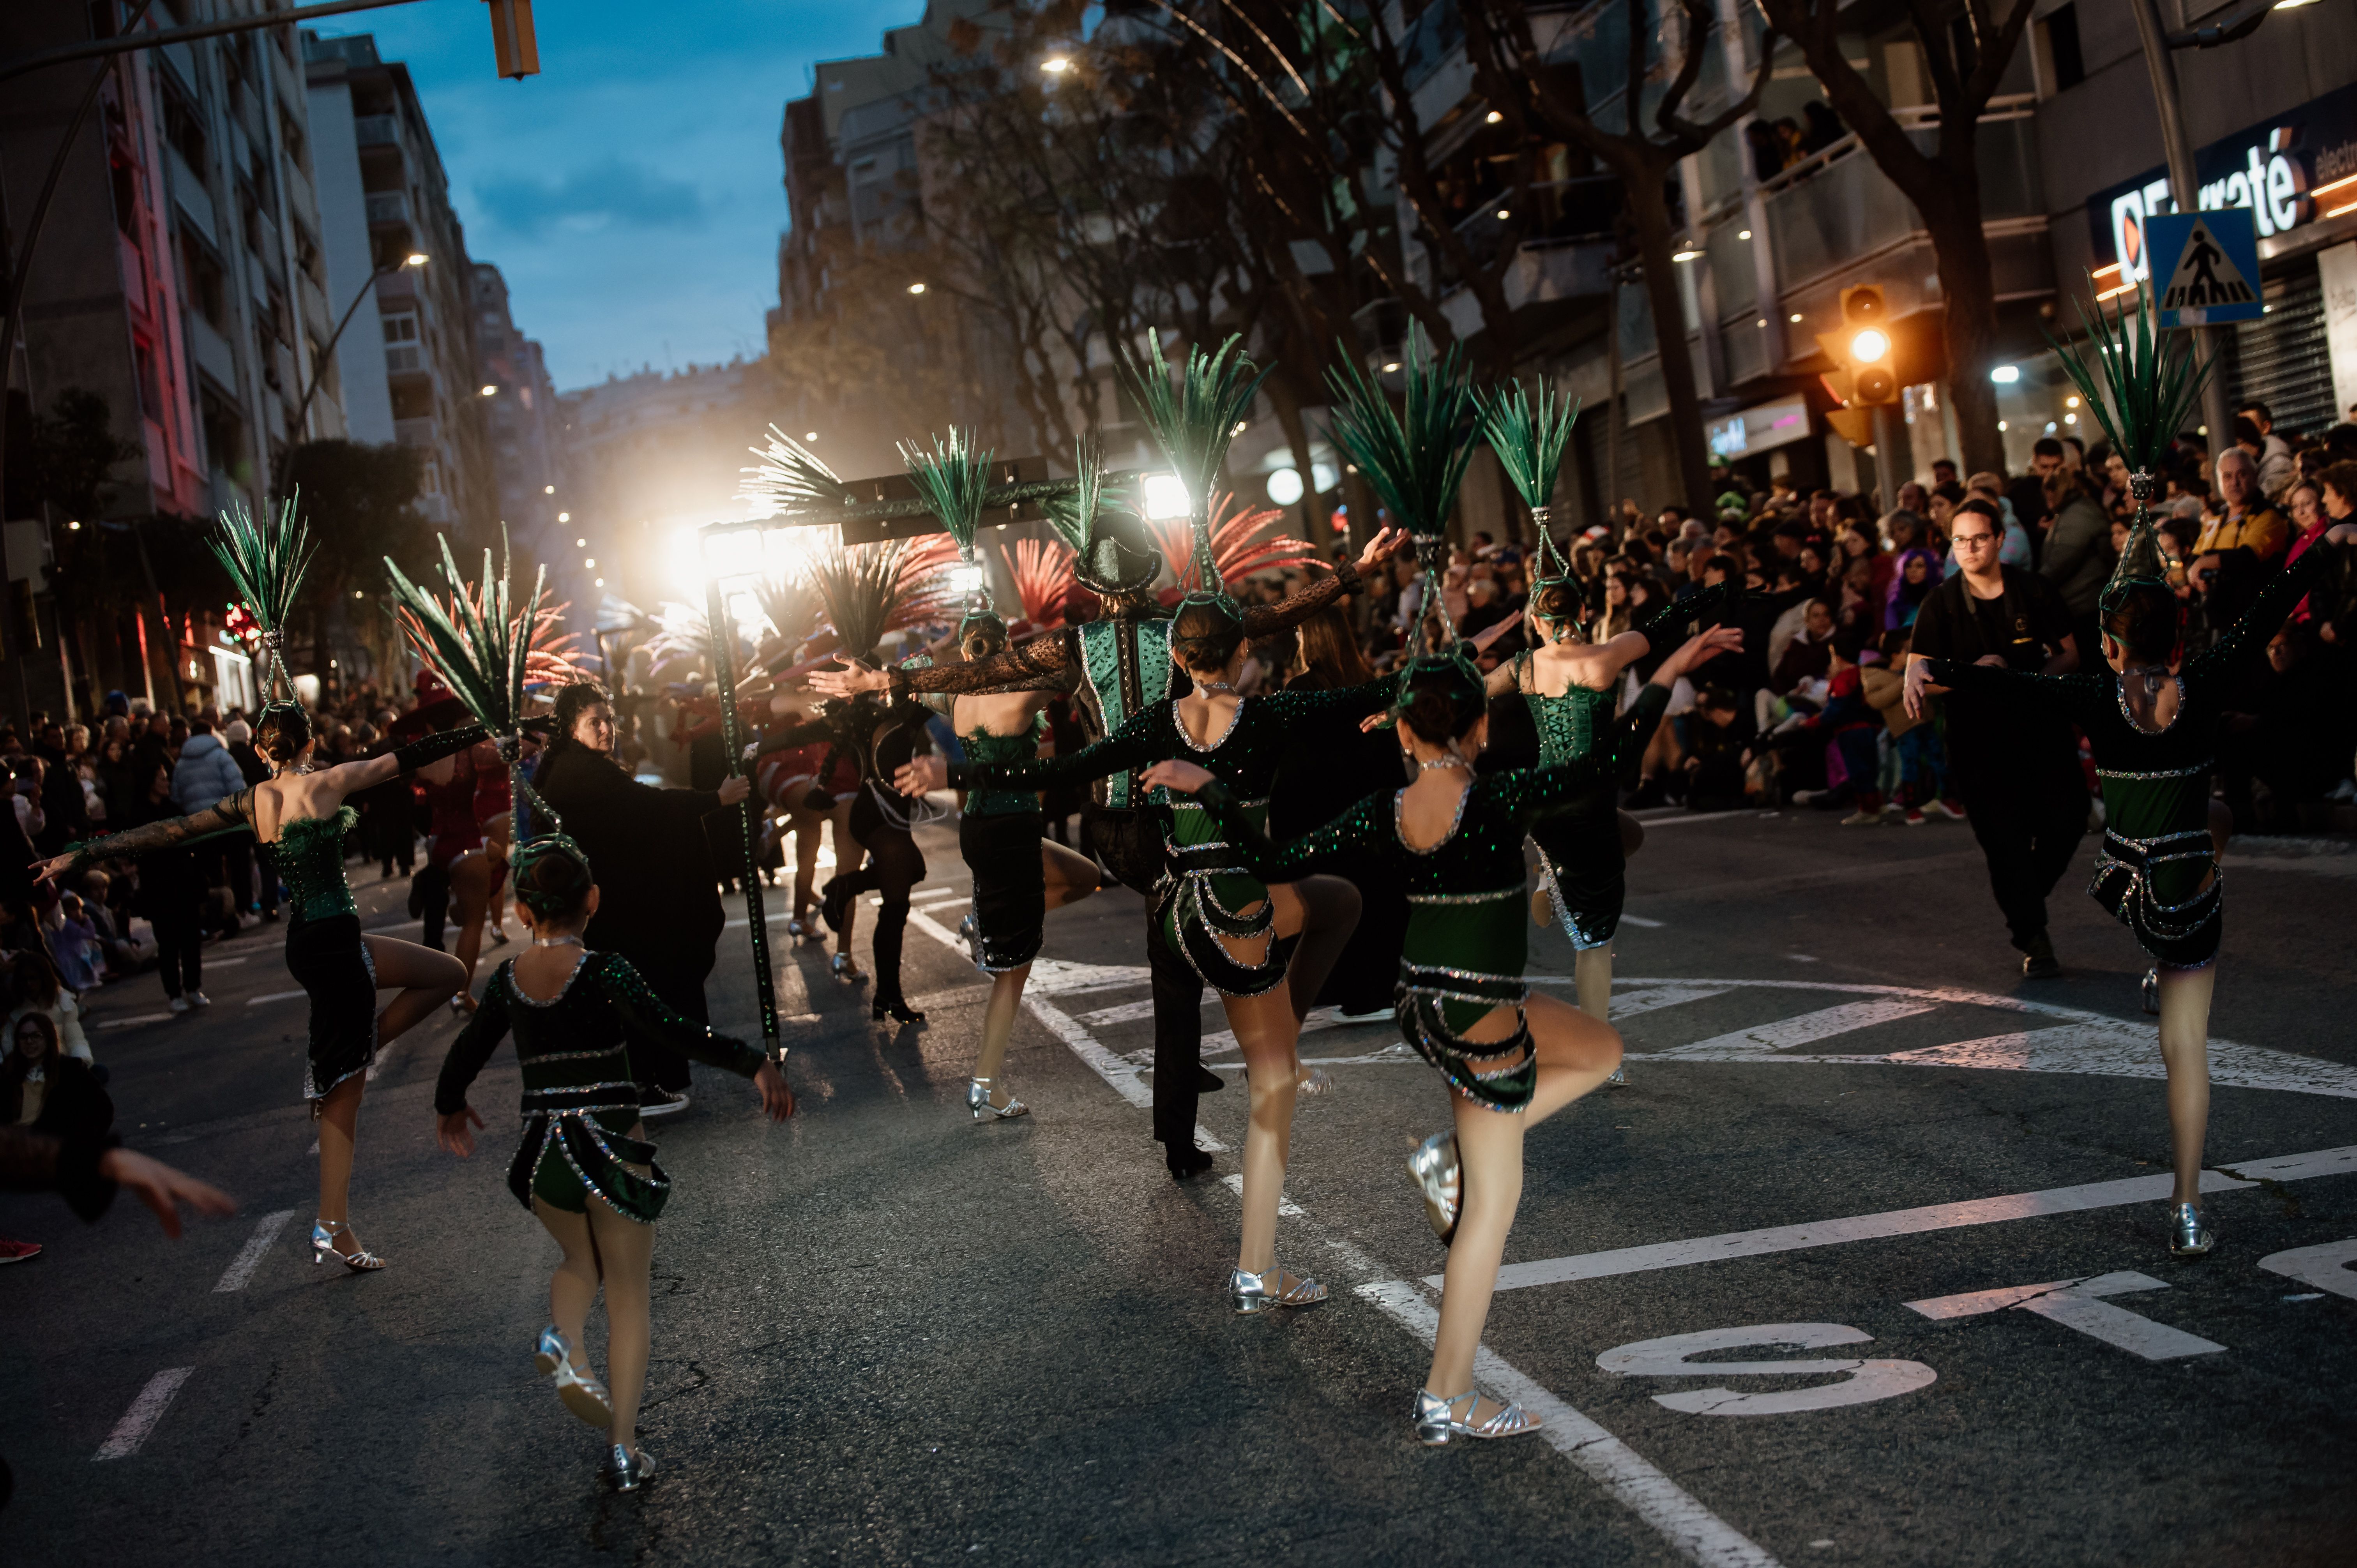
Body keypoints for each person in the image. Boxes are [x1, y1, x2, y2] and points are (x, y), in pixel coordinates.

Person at [1139, 630, 1740, 1444]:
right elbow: (1612, 759)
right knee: (1488, 1212)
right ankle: (1448, 1392)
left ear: (1402, 732)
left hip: (1420, 1006)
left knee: (1600, 1048)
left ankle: (1451, 1159)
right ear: (1482, 729)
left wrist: (1206, 789)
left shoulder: (1385, 810)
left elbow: (1270, 853)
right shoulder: (1500, 797)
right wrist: (1665, 671)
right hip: (1481, 1017)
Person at [895, 591, 1385, 1308]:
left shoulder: (1159, 720)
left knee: (1336, 900)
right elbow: (1370, 692)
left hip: (1176, 914)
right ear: (1241, 653)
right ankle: (1258, 1265)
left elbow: (1062, 770)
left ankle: (1283, 1046)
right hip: (1236, 913)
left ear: (1179, 659)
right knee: (1273, 1089)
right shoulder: (1270, 714)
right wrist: (1441, 679)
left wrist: (956, 775)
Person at [1910, 509, 2357, 1255]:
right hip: (2187, 897)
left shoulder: (2093, 695)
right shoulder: (2206, 681)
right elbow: (2263, 612)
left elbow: (2013, 685)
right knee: (2187, 1046)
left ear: (2110, 647)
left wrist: (1941, 669)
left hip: (2124, 883)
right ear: (2179, 641)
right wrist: (2327, 545)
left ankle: (2152, 956)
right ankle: (2185, 1205)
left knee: (2212, 813)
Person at [37, 703, 475, 1272]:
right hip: (337, 946)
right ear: (309, 744)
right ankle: (333, 1225)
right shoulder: (332, 781)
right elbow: (413, 754)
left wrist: (83, 854)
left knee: (444, 976)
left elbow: (171, 832)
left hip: (313, 945)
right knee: (348, 1094)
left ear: (264, 753)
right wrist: (489, 726)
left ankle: (344, 1080)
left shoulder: (254, 801)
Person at [433, 834, 792, 1492]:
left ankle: (564, 1339)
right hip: (613, 1153)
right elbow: (673, 1028)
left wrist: (449, 1104)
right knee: (628, 1293)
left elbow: (468, 1048)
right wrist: (752, 1061)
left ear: (519, 910)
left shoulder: (508, 980)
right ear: (592, 898)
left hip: (545, 1157)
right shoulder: (606, 971)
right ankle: (623, 1449)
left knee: (578, 1261)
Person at [533, 682, 750, 1117]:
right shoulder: (580, 771)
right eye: (594, 721)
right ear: (572, 728)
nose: (605, 728)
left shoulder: (569, 764)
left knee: (629, 985)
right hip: (609, 907)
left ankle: (636, 1081)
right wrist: (716, 799)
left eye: (608, 719)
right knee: (640, 982)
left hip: (604, 899)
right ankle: (638, 1084)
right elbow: (648, 806)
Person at [1903, 501, 2083, 978]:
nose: (1969, 548)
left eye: (1978, 538)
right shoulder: (1940, 603)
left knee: (2069, 820)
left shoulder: (2034, 590)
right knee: (2004, 842)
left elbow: (2070, 654)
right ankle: (2034, 937)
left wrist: (2031, 683)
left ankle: (2024, 897)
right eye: (1959, 540)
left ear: (2001, 539)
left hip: (2040, 729)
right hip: (1977, 744)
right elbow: (1919, 673)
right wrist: (1972, 677)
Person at [3, 1012, 111, 1144]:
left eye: (36, 1036)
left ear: (48, 1038)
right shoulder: (8, 1074)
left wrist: (81, 1143)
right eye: (23, 1037)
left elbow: (103, 1109)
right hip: (18, 1149)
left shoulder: (70, 1070)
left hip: (56, 1148)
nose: (29, 1042)